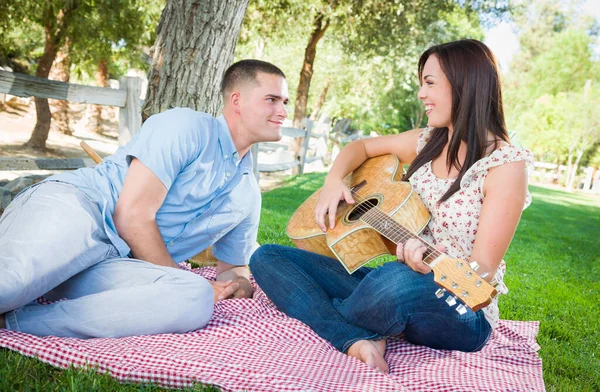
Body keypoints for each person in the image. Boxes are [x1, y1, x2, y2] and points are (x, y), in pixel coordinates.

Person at [250, 39, 533, 374]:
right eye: (421, 84)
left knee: (392, 280)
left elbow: (482, 270)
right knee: (267, 257)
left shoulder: (504, 165)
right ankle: (357, 335)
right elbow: (361, 146)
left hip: (460, 307)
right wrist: (334, 181)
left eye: (430, 83)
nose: (421, 94)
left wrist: (425, 265)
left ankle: (325, 312)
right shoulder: (429, 140)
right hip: (401, 282)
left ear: (464, 83)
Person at [0, 59, 289, 338]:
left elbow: (232, 266)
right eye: (272, 99)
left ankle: (17, 323)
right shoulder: (186, 127)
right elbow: (132, 216)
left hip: (119, 265)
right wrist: (177, 278)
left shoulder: (247, 193)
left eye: (285, 102)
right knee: (9, 287)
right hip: (83, 211)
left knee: (195, 297)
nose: (283, 111)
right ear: (236, 100)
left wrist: (235, 284)